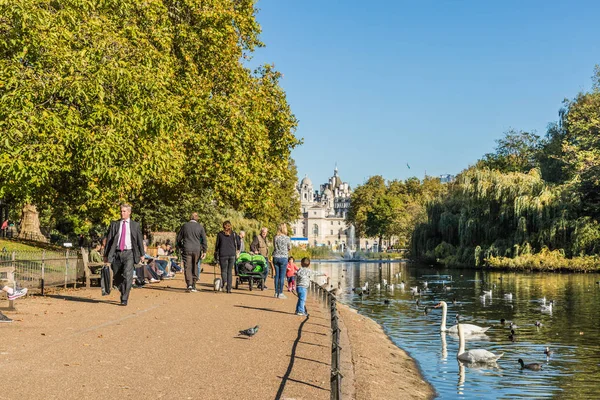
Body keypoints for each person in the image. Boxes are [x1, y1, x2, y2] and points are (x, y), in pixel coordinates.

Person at [103, 203, 144, 306]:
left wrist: (142, 254)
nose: (122, 213)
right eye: (121, 211)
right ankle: (123, 289)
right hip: (116, 253)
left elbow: (139, 240)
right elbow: (109, 240)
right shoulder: (115, 224)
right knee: (117, 277)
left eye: (124, 211)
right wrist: (106, 254)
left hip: (129, 252)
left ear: (129, 212)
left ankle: (124, 298)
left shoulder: (135, 225)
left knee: (127, 275)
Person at [176, 212, 207, 292]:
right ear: (197, 218)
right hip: (197, 249)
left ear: (190, 217)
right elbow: (204, 240)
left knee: (187, 266)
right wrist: (204, 251)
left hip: (186, 248)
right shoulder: (200, 227)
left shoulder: (185, 226)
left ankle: (189, 284)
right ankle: (193, 284)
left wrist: (180, 246)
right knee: (195, 266)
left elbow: (179, 238)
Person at [214, 221, 240, 294]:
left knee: (224, 271)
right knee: (229, 271)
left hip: (223, 254)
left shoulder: (220, 234)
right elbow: (238, 243)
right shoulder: (234, 234)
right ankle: (229, 288)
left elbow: (217, 245)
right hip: (232, 254)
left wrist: (216, 252)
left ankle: (225, 283)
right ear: (230, 226)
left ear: (223, 226)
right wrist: (237, 249)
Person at [272, 223, 291, 299]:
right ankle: (280, 293)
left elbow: (274, 246)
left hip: (276, 257)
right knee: (282, 276)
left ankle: (276, 292)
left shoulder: (276, 237)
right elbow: (289, 247)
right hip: (283, 258)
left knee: (277, 275)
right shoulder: (287, 238)